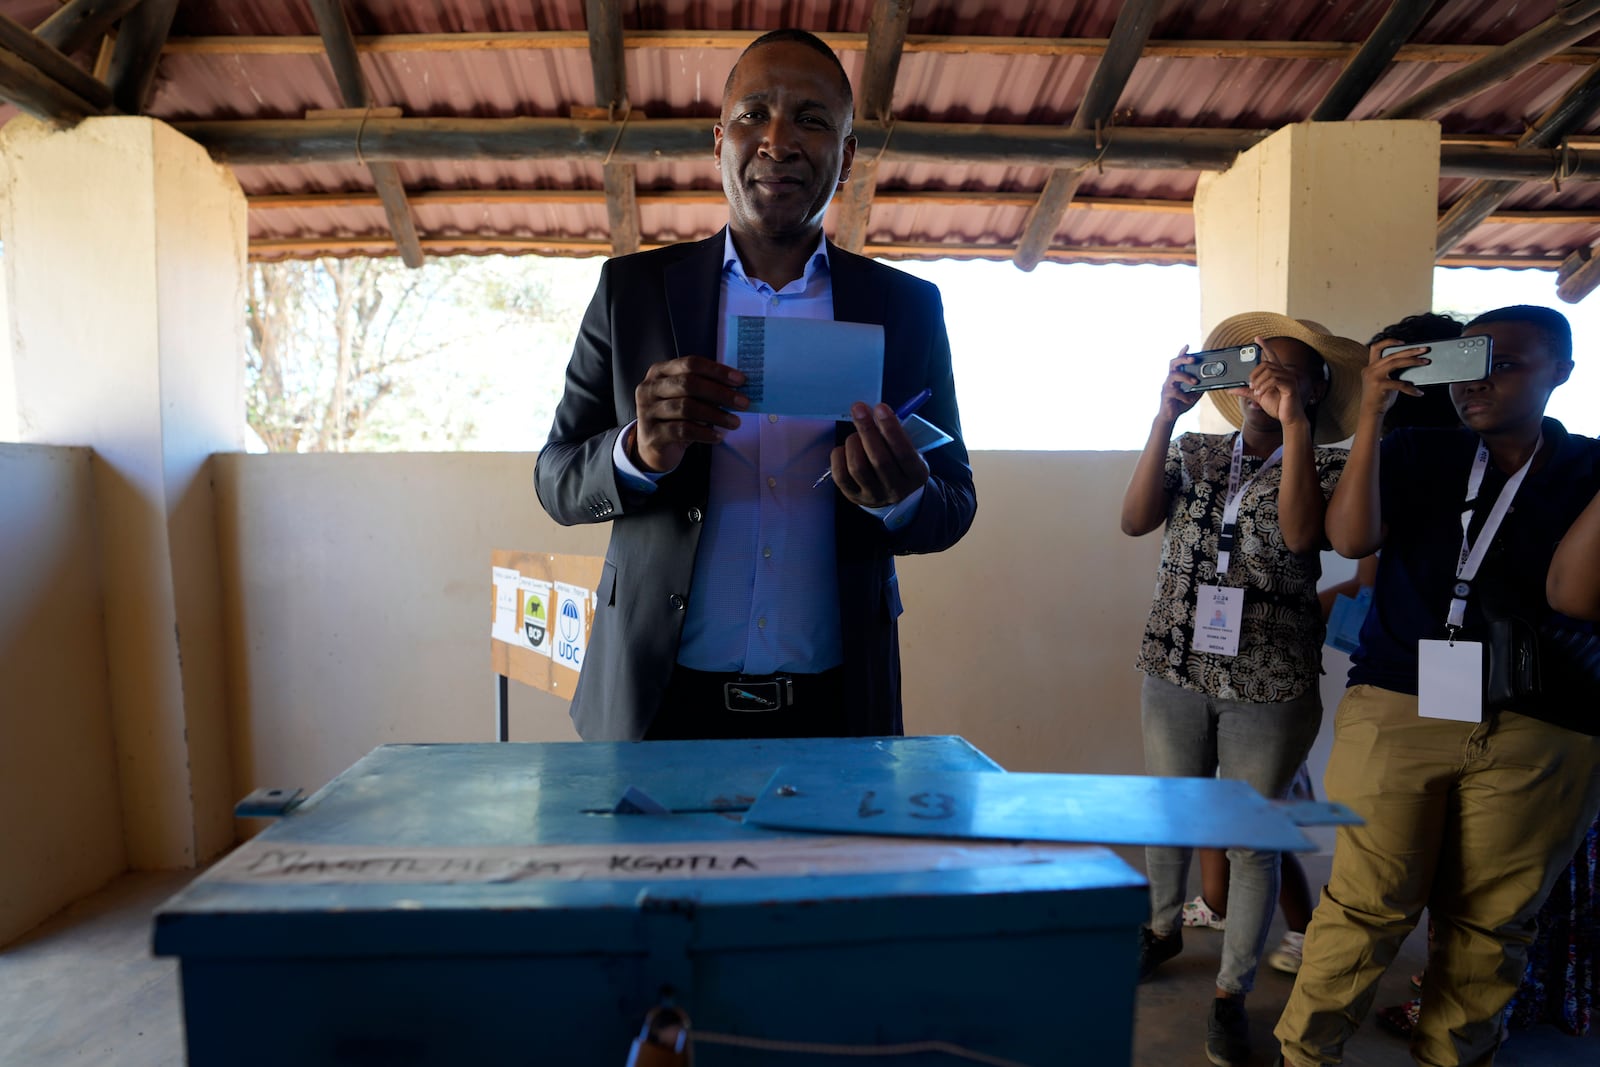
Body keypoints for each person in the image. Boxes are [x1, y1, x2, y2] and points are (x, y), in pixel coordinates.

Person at [533, 29, 975, 742]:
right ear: (718, 140)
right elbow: (555, 478)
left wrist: (905, 496)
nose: (778, 140)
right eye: (752, 114)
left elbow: (954, 500)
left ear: (848, 153)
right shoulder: (634, 292)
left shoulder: (906, 306)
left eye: (811, 119)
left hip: (837, 713)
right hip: (654, 705)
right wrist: (636, 453)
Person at [1275, 305, 1600, 1067]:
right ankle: (1304, 1057)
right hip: (1399, 701)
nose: (1479, 380)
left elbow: (1574, 594)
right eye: (1468, 360)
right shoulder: (1420, 450)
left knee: (1493, 922)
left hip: (1543, 719)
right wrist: (1377, 412)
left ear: (1563, 371)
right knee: (1362, 905)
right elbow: (1352, 540)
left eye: (1507, 363)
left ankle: (1454, 1056)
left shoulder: (1588, 466)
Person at [1122, 312, 1366, 1066]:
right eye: (1256, 365)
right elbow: (1133, 520)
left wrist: (1297, 429)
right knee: (1173, 812)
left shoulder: (1333, 465)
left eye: (1286, 372)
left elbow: (1301, 538)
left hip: (1269, 676)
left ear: (1318, 388)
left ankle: (1231, 992)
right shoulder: (1196, 449)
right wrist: (1163, 416)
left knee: (1251, 842)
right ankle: (1161, 930)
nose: (1265, 380)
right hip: (1174, 662)